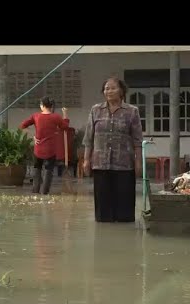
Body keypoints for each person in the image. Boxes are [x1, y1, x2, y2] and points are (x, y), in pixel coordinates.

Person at [82, 77, 143, 223]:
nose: (109, 91)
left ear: (121, 91)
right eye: (106, 88)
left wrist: (138, 162)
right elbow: (88, 138)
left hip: (124, 165)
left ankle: (125, 240)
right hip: (100, 164)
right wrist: (86, 160)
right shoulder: (95, 110)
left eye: (113, 88)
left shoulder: (132, 111)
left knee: (125, 210)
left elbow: (137, 139)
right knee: (103, 210)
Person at [19, 96, 70, 194]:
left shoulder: (36, 116)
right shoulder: (56, 117)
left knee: (37, 169)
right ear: (51, 106)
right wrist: (65, 113)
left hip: (38, 149)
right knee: (48, 170)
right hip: (51, 150)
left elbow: (23, 126)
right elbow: (65, 127)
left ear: (42, 105)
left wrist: (33, 136)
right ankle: (45, 192)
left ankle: (35, 190)